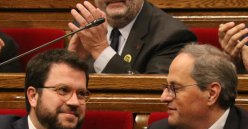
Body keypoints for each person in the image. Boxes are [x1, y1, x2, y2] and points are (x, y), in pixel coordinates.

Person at [67, 0, 196, 74]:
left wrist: (100, 50)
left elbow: (154, 96)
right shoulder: (84, 26)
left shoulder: (172, 36)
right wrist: (72, 64)